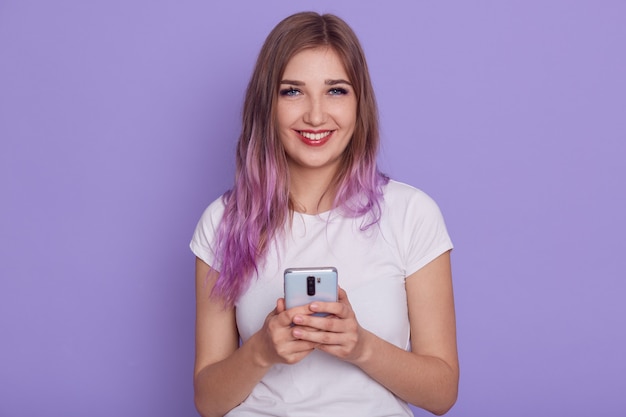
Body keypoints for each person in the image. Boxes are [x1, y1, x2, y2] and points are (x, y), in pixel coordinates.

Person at [190, 11, 458, 417]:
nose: (315, 116)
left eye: (336, 91)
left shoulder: (411, 214)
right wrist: (261, 351)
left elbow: (442, 394)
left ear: (359, 103)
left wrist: (360, 346)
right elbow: (208, 402)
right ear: (268, 104)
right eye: (292, 92)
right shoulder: (223, 221)